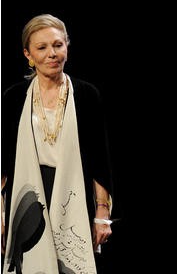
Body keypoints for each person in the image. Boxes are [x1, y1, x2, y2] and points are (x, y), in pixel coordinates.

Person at [1, 14, 114, 273]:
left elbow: (100, 159)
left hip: (73, 194)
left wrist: (102, 214)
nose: (52, 53)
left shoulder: (86, 95)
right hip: (28, 197)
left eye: (58, 45)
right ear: (28, 55)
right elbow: (3, 164)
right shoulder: (14, 97)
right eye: (42, 48)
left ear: (67, 46)